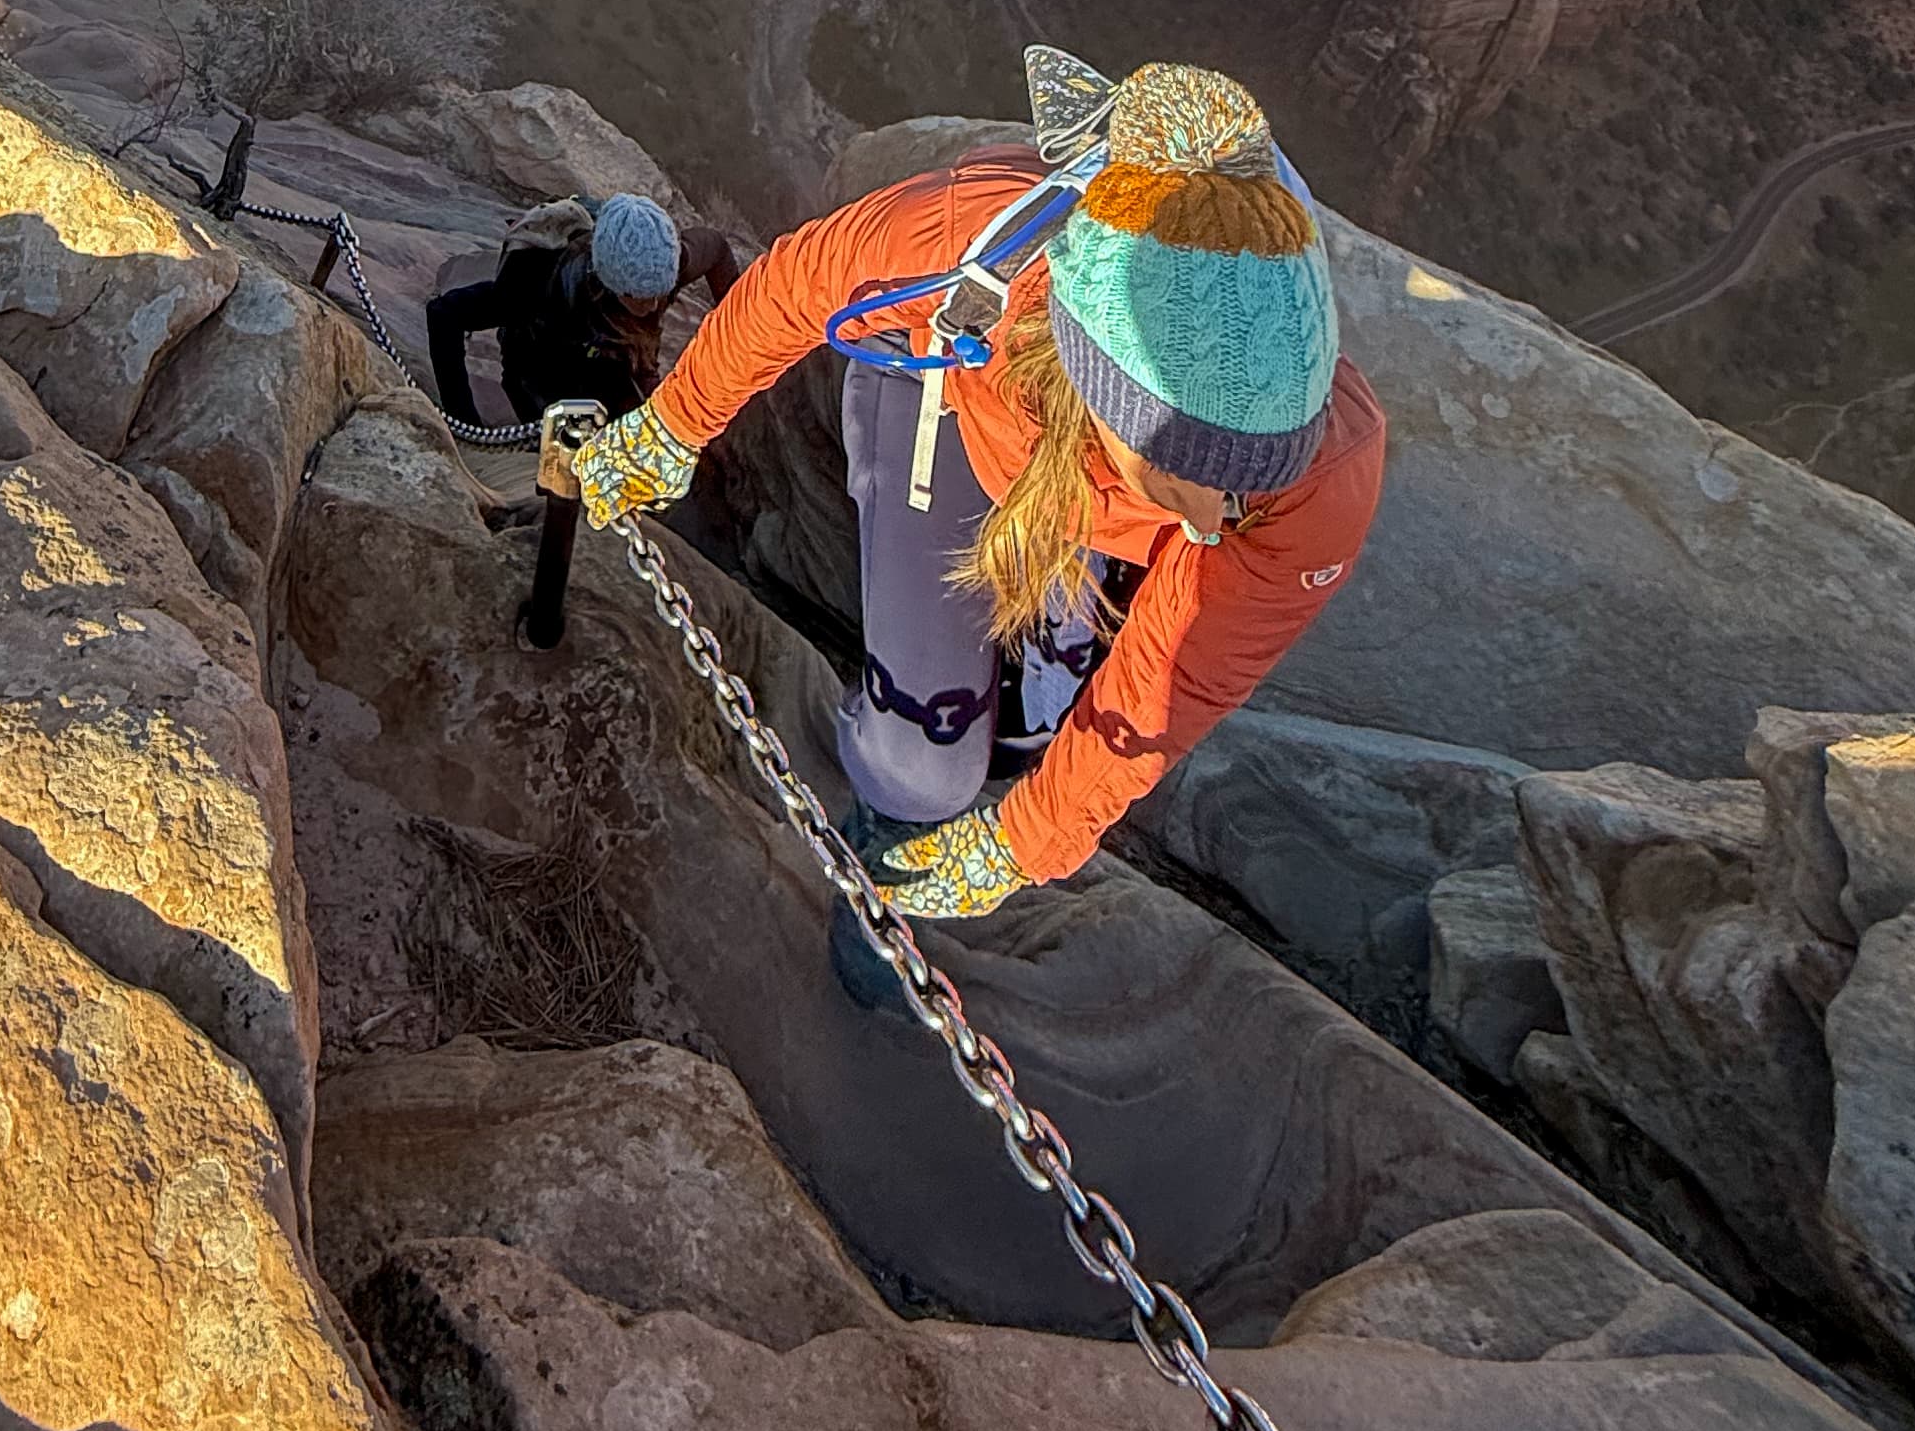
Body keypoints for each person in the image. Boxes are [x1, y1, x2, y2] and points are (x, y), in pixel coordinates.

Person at [563, 49, 1385, 972]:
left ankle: (971, 770)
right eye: (1186, 472)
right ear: (1094, 387)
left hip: (1068, 471)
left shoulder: (1316, 474)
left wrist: (1024, 842)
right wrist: (672, 428)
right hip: (952, 404)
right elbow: (799, 287)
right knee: (929, 758)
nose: (1209, 524)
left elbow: (1174, 680)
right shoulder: (962, 252)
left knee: (1040, 736)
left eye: (1247, 484)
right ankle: (887, 835)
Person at [426, 192, 736, 434]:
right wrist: (464, 421)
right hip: (542, 369)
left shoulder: (667, 259)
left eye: (660, 292)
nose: (653, 305)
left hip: (613, 353)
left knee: (650, 430)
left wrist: (738, 335)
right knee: (575, 465)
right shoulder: (539, 285)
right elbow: (444, 314)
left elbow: (718, 248)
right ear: (608, 280)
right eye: (639, 296)